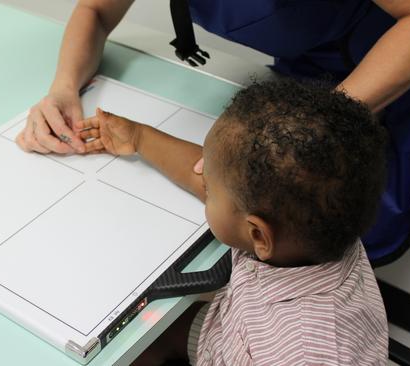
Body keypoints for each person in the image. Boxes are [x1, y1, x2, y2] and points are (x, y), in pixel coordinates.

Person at [16, 0, 410, 263]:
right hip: (313, 57)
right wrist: (63, 87)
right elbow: (96, 9)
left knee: (345, 219)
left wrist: (317, 122)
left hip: (409, 48)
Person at [75, 79, 389, 365]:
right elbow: (224, 178)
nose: (199, 175)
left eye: (209, 188)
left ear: (258, 235)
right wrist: (138, 136)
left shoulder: (304, 354)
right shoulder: (308, 223)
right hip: (226, 335)